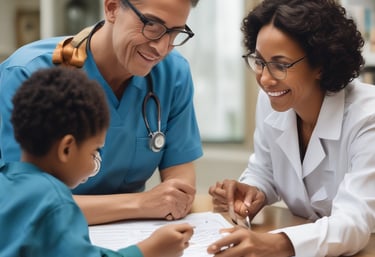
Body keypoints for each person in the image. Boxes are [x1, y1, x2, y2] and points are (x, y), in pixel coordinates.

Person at [0, 0, 203, 225]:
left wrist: (171, 199)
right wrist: (141, 204)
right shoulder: (27, 73)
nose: (162, 48)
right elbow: (27, 202)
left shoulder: (173, 74)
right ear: (112, 8)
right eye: (152, 26)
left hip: (135, 235)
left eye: (175, 33)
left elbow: (181, 183)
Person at [207, 0, 375, 256]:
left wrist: (274, 243)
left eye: (280, 65)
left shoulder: (368, 117)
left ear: (320, 64)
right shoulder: (274, 100)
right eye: (260, 61)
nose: (264, 79)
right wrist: (255, 191)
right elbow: (266, 169)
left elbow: (353, 223)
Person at [0, 66, 194, 257]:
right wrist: (148, 251)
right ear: (66, 149)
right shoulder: (55, 201)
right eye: (94, 151)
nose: (95, 164)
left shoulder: (6, 183)